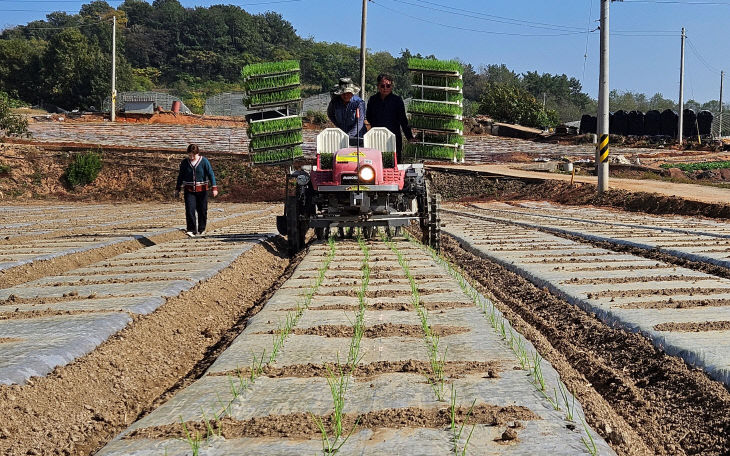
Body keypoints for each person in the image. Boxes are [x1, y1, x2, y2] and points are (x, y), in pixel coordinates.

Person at [366, 73, 414, 163]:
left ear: (392, 86)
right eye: (382, 86)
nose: (385, 88)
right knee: (376, 162)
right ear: (378, 86)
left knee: (394, 162)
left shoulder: (397, 100)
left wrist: (409, 137)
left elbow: (403, 120)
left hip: (393, 136)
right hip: (377, 136)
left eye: (388, 86)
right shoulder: (372, 100)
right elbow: (369, 116)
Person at [175, 144, 218, 237]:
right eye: (189, 155)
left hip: (202, 190)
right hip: (189, 190)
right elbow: (180, 176)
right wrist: (177, 188)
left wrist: (214, 187)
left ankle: (201, 229)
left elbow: (211, 174)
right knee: (190, 209)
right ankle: (191, 229)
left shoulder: (204, 161)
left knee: (202, 210)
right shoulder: (185, 163)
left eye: (193, 155)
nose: (191, 157)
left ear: (197, 153)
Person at [327, 77, 367, 146]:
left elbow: (360, 122)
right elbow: (330, 114)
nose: (345, 96)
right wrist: (339, 126)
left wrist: (349, 135)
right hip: (342, 134)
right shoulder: (335, 102)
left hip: (358, 136)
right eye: (343, 93)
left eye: (348, 93)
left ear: (352, 92)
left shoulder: (359, 103)